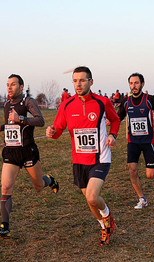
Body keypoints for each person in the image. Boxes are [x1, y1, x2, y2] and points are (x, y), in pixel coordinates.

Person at [46, 66, 120, 246]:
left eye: (82, 80)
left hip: (100, 157)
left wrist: (112, 135)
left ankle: (107, 216)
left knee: (92, 197)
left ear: (91, 82)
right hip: (79, 160)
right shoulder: (66, 105)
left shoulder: (102, 102)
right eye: (75, 81)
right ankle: (104, 226)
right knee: (90, 201)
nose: (78, 84)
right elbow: (58, 130)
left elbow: (116, 120)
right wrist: (51, 132)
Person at [0, 74, 59, 239]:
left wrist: (21, 118)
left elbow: (40, 121)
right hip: (11, 151)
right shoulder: (7, 104)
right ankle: (4, 226)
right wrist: (0, 128)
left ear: (21, 87)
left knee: (38, 186)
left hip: (28, 150)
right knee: (5, 187)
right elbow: (11, 124)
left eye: (13, 84)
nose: (9, 87)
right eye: (7, 84)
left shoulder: (28, 102)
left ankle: (50, 180)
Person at [117, 73, 154, 209]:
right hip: (133, 141)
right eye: (131, 83)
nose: (133, 86)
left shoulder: (149, 99)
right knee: (132, 170)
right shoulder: (126, 101)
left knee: (150, 175)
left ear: (142, 84)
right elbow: (118, 117)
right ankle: (142, 198)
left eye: (136, 83)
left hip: (148, 141)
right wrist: (109, 122)